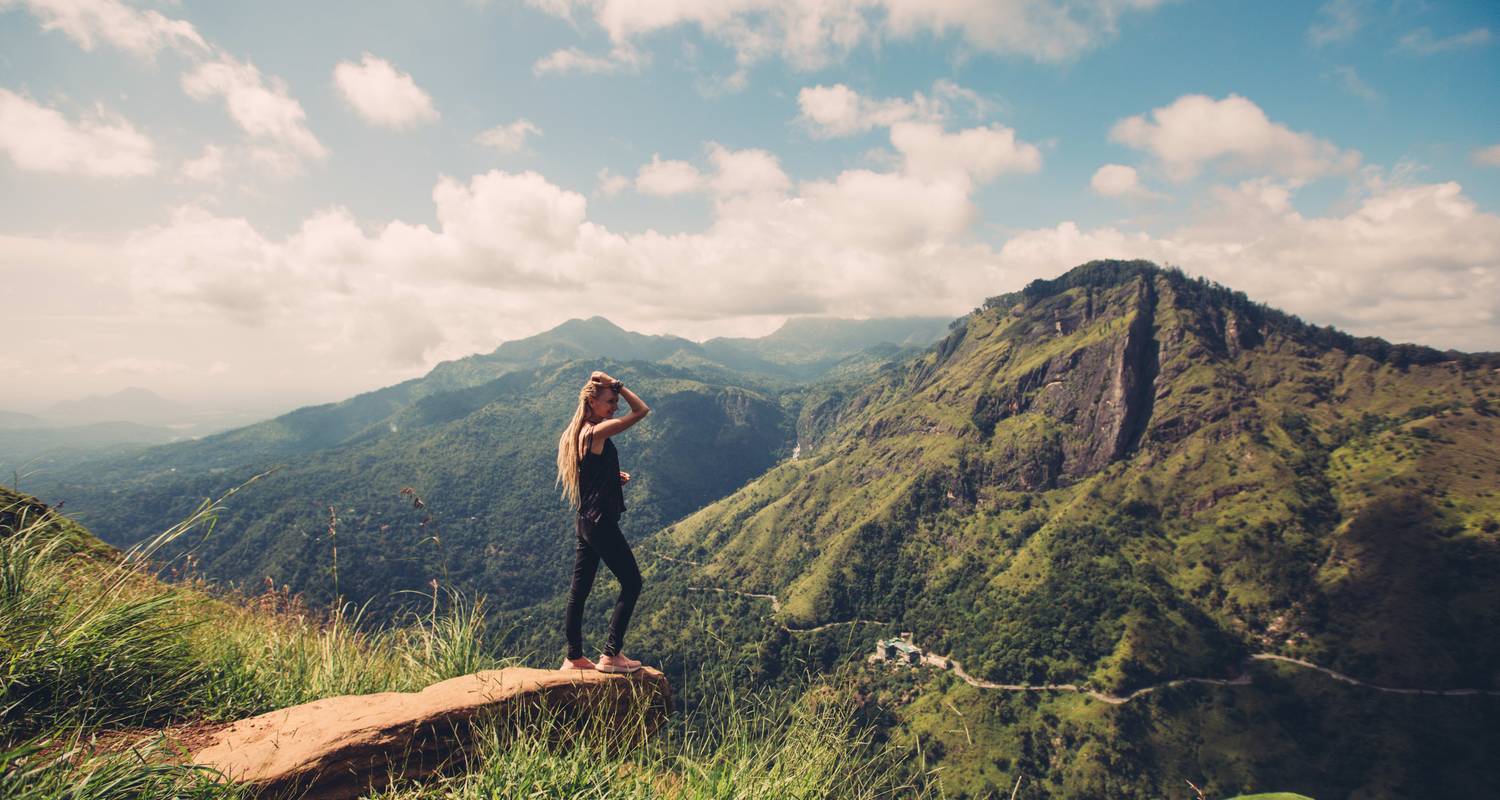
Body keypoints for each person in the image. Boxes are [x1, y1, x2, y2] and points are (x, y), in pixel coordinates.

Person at [555, 370, 650, 673]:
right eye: (610, 401)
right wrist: (619, 385)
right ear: (592, 401)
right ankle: (611, 656)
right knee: (633, 582)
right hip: (600, 523)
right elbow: (642, 411)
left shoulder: (580, 432)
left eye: (615, 401)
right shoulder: (597, 432)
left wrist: (611, 479)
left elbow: (590, 476)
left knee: (579, 591)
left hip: (585, 521)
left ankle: (574, 658)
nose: (615, 407)